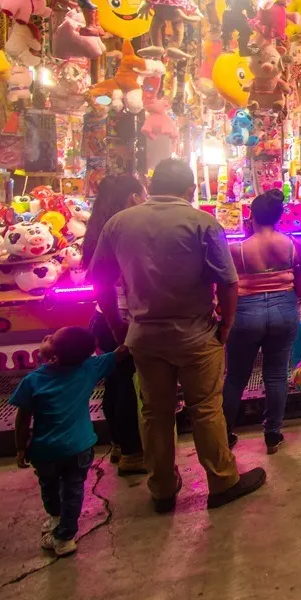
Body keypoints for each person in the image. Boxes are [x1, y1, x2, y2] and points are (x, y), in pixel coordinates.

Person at [90, 159, 264, 513]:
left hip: (144, 336)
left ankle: (162, 488)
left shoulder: (118, 224)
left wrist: (116, 325)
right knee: (205, 409)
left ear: (151, 187)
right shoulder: (202, 222)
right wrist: (226, 324)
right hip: (196, 334)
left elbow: (100, 281)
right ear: (190, 190)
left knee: (154, 413)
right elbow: (228, 281)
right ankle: (222, 481)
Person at [10, 327, 128, 557]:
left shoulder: (32, 381)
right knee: (73, 491)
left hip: (45, 451)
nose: (46, 337)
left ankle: (57, 523)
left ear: (53, 357)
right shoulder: (89, 368)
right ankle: (64, 534)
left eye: (51, 339)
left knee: (49, 487)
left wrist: (19, 447)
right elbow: (121, 352)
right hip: (80, 448)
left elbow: (22, 420)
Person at [222, 192, 301, 454]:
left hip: (246, 313)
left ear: (251, 216)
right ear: (279, 217)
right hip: (284, 310)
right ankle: (273, 435)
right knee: (277, 374)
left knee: (235, 378)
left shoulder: (236, 250)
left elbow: (222, 284)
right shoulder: (292, 245)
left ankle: (224, 435)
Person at [82, 174, 146, 477]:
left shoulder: (98, 229)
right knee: (129, 387)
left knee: (115, 384)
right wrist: (118, 324)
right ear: (133, 197)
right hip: (121, 319)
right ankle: (133, 453)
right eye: (143, 193)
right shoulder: (126, 230)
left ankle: (120, 445)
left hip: (105, 318)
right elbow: (104, 284)